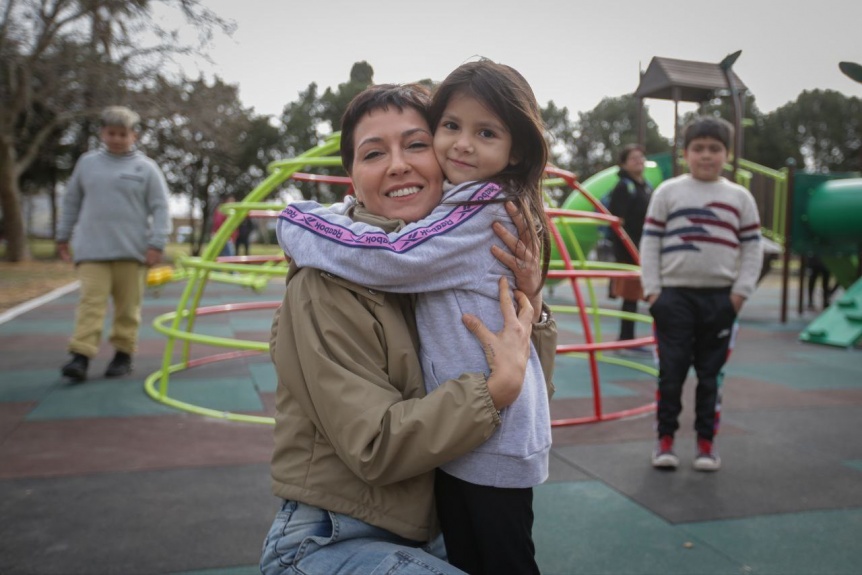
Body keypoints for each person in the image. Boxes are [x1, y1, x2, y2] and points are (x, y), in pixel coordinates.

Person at [261, 84, 557, 575]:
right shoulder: (326, 284)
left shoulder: (446, 263)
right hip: (334, 535)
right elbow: (375, 445)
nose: (398, 164)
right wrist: (492, 391)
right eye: (374, 153)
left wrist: (532, 305)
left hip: (426, 527)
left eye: (416, 144)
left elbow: (529, 394)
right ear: (352, 179)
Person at [640, 116, 762, 472]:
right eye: (698, 148)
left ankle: (706, 444)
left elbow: (752, 250)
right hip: (673, 299)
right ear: (685, 153)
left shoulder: (740, 197)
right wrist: (653, 293)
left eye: (714, 148)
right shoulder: (668, 192)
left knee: (711, 378)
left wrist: (739, 294)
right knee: (671, 375)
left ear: (727, 153)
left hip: (720, 300)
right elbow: (649, 244)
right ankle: (665, 441)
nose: (706, 155)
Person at [56, 106, 171, 381]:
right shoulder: (87, 163)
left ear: (135, 135)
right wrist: (63, 235)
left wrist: (156, 243)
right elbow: (71, 201)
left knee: (127, 307)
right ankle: (81, 356)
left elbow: (161, 207)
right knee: (90, 303)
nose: (117, 138)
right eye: (112, 133)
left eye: (123, 134)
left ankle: (123, 354)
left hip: (133, 252)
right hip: (92, 249)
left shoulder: (146, 168)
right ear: (102, 133)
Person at [606, 144, 652, 343]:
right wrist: (630, 248)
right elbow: (618, 222)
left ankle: (628, 336)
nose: (638, 161)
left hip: (645, 244)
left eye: (641, 157)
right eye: (633, 158)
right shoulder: (624, 186)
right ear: (623, 163)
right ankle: (626, 337)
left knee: (637, 292)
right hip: (629, 247)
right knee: (630, 292)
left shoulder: (646, 186)